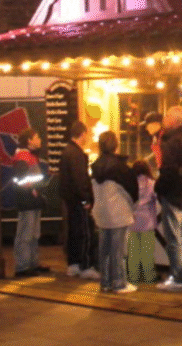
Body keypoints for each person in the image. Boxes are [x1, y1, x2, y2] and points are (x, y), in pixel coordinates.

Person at [154, 106, 182, 291]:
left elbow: (168, 170)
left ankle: (177, 277)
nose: (164, 120)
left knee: (174, 237)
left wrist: (159, 187)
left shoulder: (171, 141)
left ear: (175, 120)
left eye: (167, 117)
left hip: (173, 193)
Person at [90, 130, 139, 293]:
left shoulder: (95, 166)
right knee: (118, 249)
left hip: (101, 212)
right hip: (118, 211)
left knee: (104, 249)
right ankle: (119, 283)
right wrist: (132, 205)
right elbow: (133, 190)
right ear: (116, 145)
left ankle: (105, 282)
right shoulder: (120, 168)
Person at [59, 121, 100, 279]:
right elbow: (80, 180)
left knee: (74, 233)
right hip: (79, 201)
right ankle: (86, 266)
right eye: (88, 135)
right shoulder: (76, 154)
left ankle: (73, 264)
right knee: (84, 233)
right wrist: (86, 200)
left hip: (70, 201)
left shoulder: (67, 151)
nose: (88, 138)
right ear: (82, 135)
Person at [12, 128, 48, 277]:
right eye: (37, 137)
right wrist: (32, 190)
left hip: (33, 200)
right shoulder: (23, 156)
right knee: (26, 234)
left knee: (33, 233)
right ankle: (23, 266)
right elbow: (21, 179)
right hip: (28, 200)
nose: (40, 140)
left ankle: (32, 263)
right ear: (29, 141)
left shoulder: (29, 156)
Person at [126, 160, 159, 285]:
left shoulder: (130, 183)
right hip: (147, 219)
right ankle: (149, 276)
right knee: (147, 250)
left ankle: (133, 276)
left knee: (133, 250)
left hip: (133, 219)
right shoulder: (151, 183)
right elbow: (156, 197)